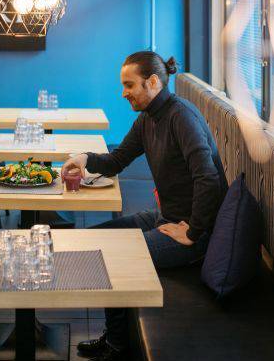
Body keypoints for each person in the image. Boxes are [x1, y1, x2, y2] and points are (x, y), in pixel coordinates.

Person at [61, 51, 228, 361]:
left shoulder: (181, 117)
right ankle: (114, 337)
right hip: (166, 217)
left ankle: (117, 346)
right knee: (98, 238)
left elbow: (208, 178)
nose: (123, 93)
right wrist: (84, 158)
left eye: (129, 85)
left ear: (152, 82)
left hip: (191, 232)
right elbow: (117, 160)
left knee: (114, 255)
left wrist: (194, 231)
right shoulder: (148, 118)